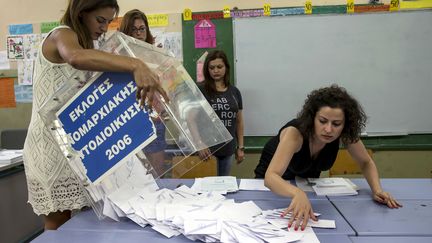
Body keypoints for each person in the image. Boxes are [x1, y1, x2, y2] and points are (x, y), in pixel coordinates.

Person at [22, 0, 168, 230]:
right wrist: (135, 64)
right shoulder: (61, 35)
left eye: (109, 22)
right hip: (49, 148)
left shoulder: (91, 47)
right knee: (59, 229)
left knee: (86, 227)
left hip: (77, 146)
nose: (104, 28)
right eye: (100, 20)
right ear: (81, 13)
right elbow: (75, 57)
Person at [254, 84, 402, 231]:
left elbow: (365, 162)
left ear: (345, 124)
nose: (329, 129)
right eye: (322, 121)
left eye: (336, 124)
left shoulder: (343, 134)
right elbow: (271, 177)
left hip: (306, 190)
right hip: (268, 190)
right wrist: (297, 193)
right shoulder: (295, 134)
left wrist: (377, 190)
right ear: (312, 118)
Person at [120, 9, 167, 177]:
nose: (139, 33)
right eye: (134, 29)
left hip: (154, 118)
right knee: (135, 173)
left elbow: (164, 84)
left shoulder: (155, 54)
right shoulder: (119, 56)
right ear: (126, 31)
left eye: (142, 29)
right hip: (129, 119)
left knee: (157, 171)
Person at [198, 50, 245, 176]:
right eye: (212, 67)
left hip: (228, 150)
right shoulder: (201, 90)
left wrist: (240, 147)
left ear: (226, 68)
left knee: (223, 188)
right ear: (207, 70)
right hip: (207, 151)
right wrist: (199, 144)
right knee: (207, 191)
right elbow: (190, 119)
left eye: (219, 67)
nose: (216, 71)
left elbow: (239, 121)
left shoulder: (235, 92)